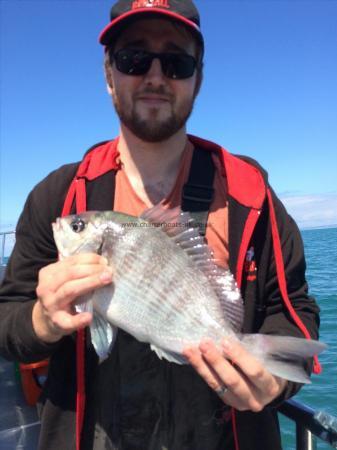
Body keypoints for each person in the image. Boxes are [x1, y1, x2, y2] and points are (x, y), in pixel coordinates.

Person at [0, 1, 321, 449]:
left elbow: (294, 313)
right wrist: (43, 319)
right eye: (133, 58)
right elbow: (6, 321)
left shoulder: (249, 191)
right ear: (109, 75)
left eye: (176, 62)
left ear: (198, 78)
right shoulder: (58, 195)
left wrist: (274, 385)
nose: (155, 77)